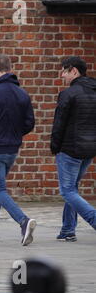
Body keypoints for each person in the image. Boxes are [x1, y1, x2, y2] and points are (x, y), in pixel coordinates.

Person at [0, 54, 36, 246]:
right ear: (10, 70)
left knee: (0, 189)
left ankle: (23, 221)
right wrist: (15, 134)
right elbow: (29, 123)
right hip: (12, 149)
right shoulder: (22, 94)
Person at [51, 56, 96, 241]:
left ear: (74, 71)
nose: (62, 75)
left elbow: (59, 124)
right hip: (89, 150)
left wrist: (55, 146)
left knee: (67, 190)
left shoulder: (68, 94)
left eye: (64, 71)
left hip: (69, 150)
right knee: (73, 189)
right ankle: (68, 230)